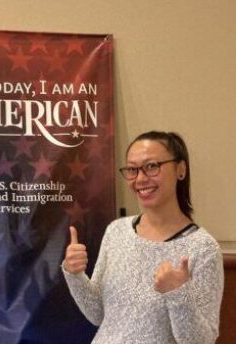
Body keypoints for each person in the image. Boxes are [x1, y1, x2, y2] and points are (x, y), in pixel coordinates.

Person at [62, 131, 224, 344]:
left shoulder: (203, 248)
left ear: (180, 169)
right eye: (132, 169)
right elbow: (98, 314)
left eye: (152, 166)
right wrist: (74, 274)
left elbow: (201, 341)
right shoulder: (116, 231)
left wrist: (178, 294)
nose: (139, 179)